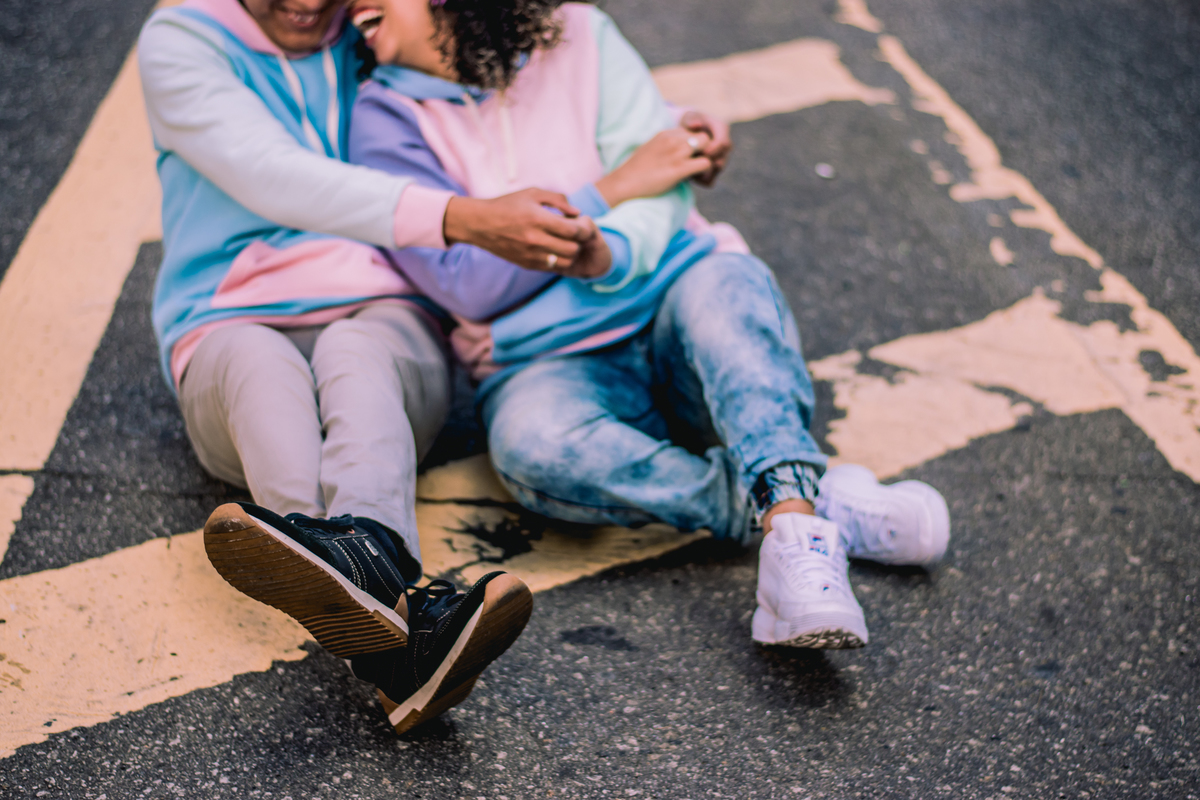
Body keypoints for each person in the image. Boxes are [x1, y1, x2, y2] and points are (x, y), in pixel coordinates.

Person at [136, 0, 733, 732]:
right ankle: (395, 613)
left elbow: (500, 68)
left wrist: (676, 124)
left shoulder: (366, 33)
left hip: (381, 304)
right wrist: (465, 217)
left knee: (357, 350)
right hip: (224, 316)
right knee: (257, 361)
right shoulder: (181, 42)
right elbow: (273, 174)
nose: (306, 2)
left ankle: (367, 574)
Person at [346, 0, 952, 651]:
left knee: (728, 284)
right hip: (540, 361)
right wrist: (610, 189)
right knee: (534, 448)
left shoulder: (577, 31)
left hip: (675, 295)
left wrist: (607, 253)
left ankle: (795, 530)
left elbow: (665, 174)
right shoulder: (382, 118)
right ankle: (792, 500)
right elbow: (465, 280)